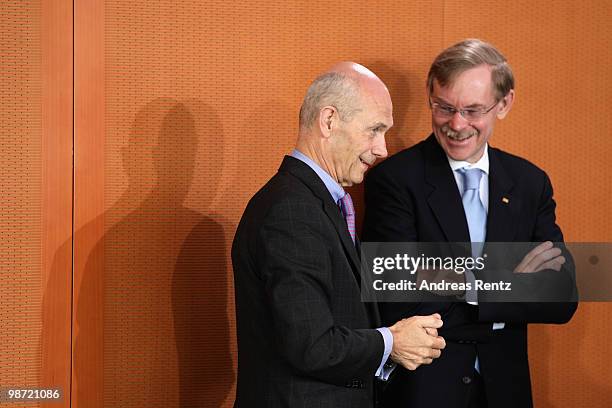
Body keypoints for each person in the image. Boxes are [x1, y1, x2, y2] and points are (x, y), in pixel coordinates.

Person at [363, 39, 577, 408]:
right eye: (444, 108)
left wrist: (456, 283)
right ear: (431, 96)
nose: (457, 124)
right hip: (425, 392)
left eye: (473, 110)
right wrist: (513, 284)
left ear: (504, 103)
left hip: (505, 391)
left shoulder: (530, 183)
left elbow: (561, 297)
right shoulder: (395, 180)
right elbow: (396, 297)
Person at [232, 62, 446, 408]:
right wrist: (392, 342)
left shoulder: (319, 203)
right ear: (329, 120)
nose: (382, 150)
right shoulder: (291, 211)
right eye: (374, 130)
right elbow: (311, 344)